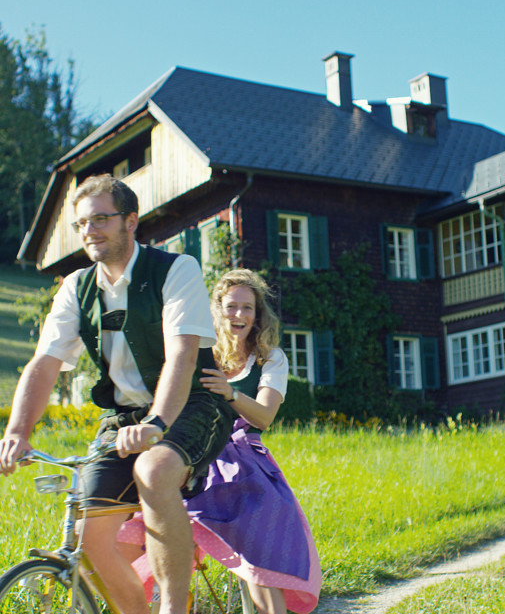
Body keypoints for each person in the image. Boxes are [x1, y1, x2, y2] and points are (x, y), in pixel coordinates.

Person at [0, 174, 234, 614]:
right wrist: (17, 431)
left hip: (192, 404)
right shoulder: (76, 287)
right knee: (88, 540)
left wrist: (157, 425)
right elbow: (44, 363)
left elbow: (182, 356)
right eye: (82, 224)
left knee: (154, 471)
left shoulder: (174, 270)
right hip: (123, 416)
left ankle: (174, 609)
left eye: (101, 219)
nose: (89, 231)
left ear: (131, 220)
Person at [119, 269, 321, 614]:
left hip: (244, 459)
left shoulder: (269, 358)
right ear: (217, 309)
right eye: (231, 306)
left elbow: (264, 416)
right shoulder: (197, 350)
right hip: (193, 449)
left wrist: (230, 393)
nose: (239, 315)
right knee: (139, 524)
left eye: (248, 308)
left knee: (262, 525)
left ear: (258, 315)